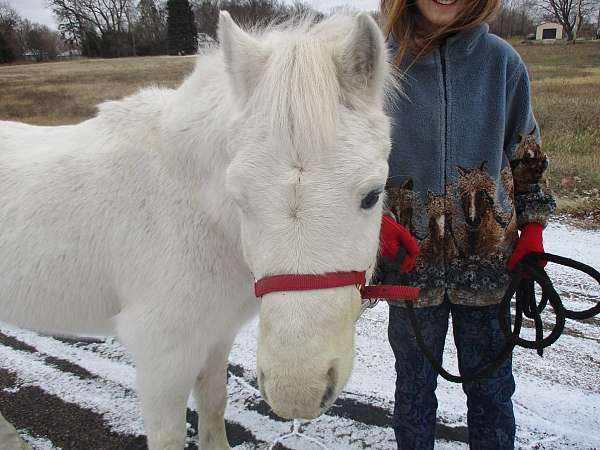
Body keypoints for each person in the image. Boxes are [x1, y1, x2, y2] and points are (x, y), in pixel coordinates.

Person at [375, 0, 556, 449]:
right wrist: (373, 222)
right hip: (410, 271)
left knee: (492, 395)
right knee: (413, 395)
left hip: (490, 270)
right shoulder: (379, 64)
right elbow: (347, 161)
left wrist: (532, 229)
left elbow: (526, 156)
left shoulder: (502, 63)